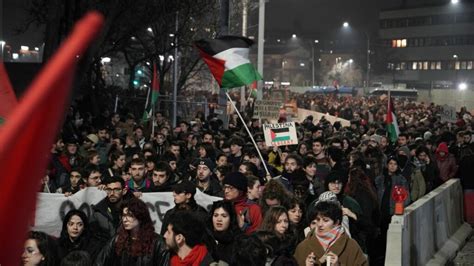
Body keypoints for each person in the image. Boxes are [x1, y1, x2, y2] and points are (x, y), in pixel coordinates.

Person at [94, 197, 169, 265]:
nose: (125, 219)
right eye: (124, 215)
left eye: (130, 215)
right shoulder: (117, 240)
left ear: (140, 216)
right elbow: (99, 262)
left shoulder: (158, 243)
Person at [294, 201, 367, 266]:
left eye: (325, 220)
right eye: (318, 220)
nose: (320, 224)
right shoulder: (303, 247)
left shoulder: (351, 246)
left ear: (336, 223)